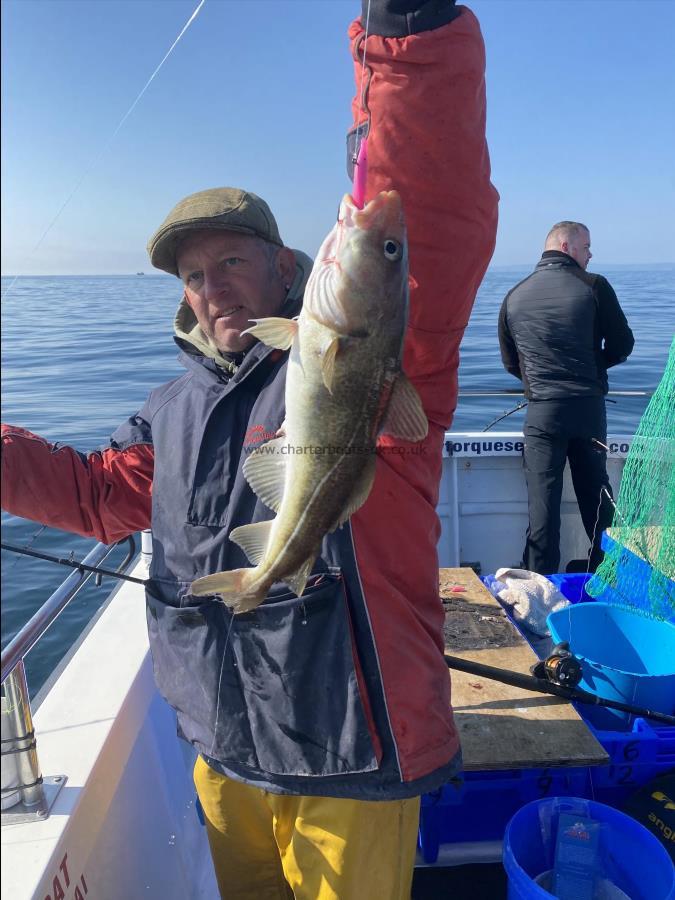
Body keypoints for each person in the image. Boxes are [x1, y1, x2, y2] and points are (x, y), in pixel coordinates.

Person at [1, 2, 498, 898]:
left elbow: (430, 207)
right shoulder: (173, 407)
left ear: (284, 267)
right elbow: (92, 498)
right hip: (225, 747)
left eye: (230, 262)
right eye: (193, 276)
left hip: (349, 751)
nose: (210, 288)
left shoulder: (383, 356)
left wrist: (410, 38)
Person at [498, 221, 634, 576]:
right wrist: (592, 369)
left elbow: (511, 362)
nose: (590, 254)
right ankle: (607, 575)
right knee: (596, 498)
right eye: (586, 246)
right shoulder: (594, 287)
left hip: (542, 414)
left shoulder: (514, 295)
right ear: (566, 245)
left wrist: (542, 383)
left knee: (542, 509)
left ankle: (539, 587)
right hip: (587, 411)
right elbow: (623, 345)